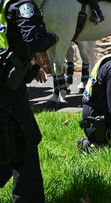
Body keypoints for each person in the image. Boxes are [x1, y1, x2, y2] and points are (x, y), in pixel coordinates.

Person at [0, 0, 58, 202]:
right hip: (7, 91)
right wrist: (54, 36)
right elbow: (35, 40)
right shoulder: (22, 4)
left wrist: (31, 68)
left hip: (8, 84)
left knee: (12, 142)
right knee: (25, 143)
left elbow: (8, 43)